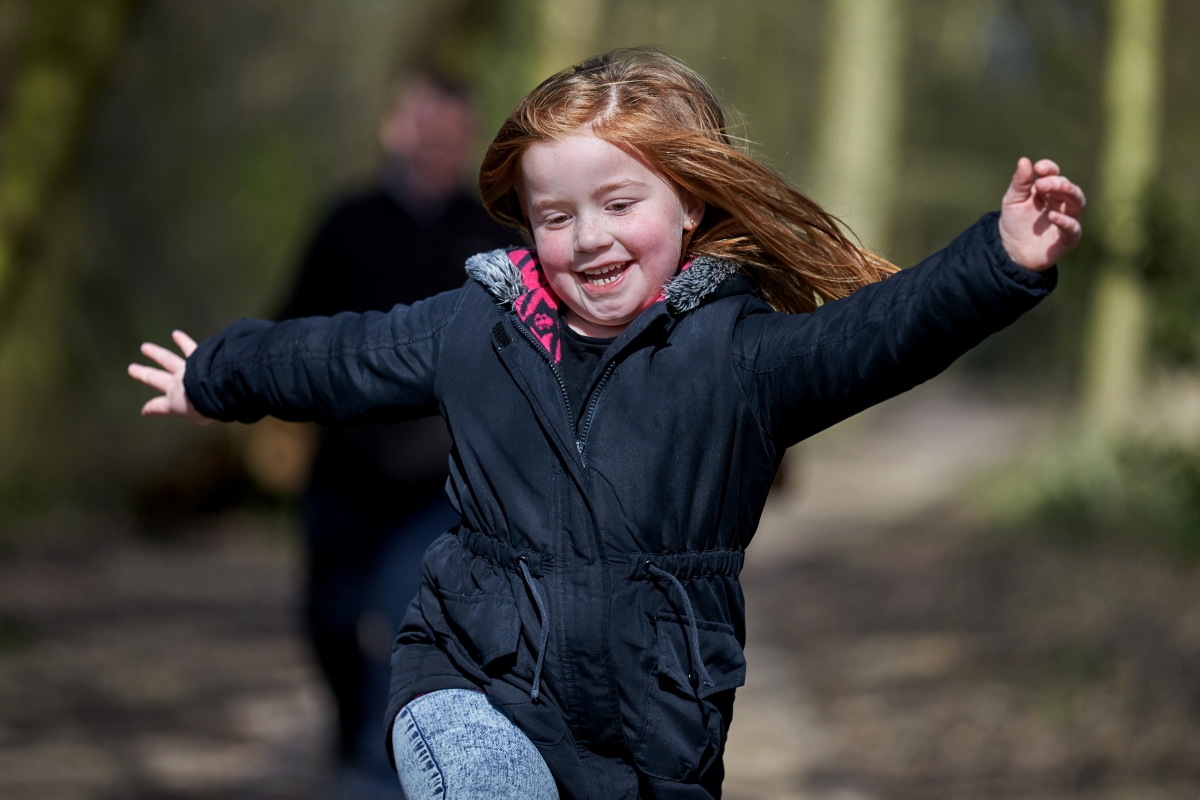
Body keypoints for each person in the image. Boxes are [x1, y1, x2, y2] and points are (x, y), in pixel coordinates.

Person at [128, 49, 1085, 800]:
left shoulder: (740, 357)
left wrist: (997, 260)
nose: (587, 238)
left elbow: (879, 334)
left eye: (618, 203)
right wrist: (217, 370)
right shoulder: (480, 327)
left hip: (654, 737)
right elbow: (348, 356)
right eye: (555, 215)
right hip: (472, 683)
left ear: (690, 200)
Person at [279, 76, 512, 798]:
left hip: (437, 487)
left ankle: (377, 774)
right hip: (345, 472)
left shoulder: (489, 241)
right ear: (394, 131)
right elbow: (289, 334)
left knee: (400, 618)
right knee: (331, 618)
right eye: (423, 132)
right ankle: (352, 731)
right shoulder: (345, 224)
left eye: (449, 137)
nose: (434, 148)